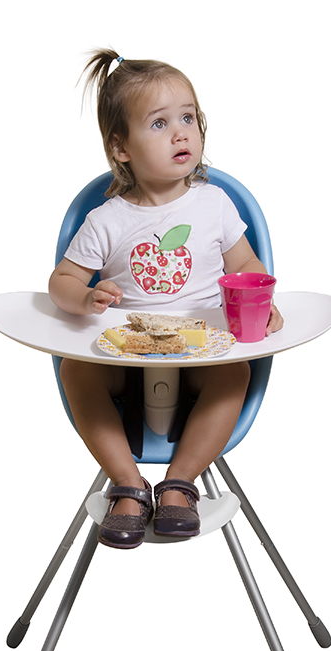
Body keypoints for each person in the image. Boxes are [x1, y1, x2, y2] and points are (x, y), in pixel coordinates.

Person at [49, 49, 283, 549]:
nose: (181, 133)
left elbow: (246, 264)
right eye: (159, 123)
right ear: (121, 148)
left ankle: (180, 482)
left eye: (188, 118)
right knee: (76, 371)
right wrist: (85, 296)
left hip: (201, 350)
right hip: (125, 354)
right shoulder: (107, 220)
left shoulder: (214, 204)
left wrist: (258, 302)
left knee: (234, 375)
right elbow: (61, 281)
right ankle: (128, 484)